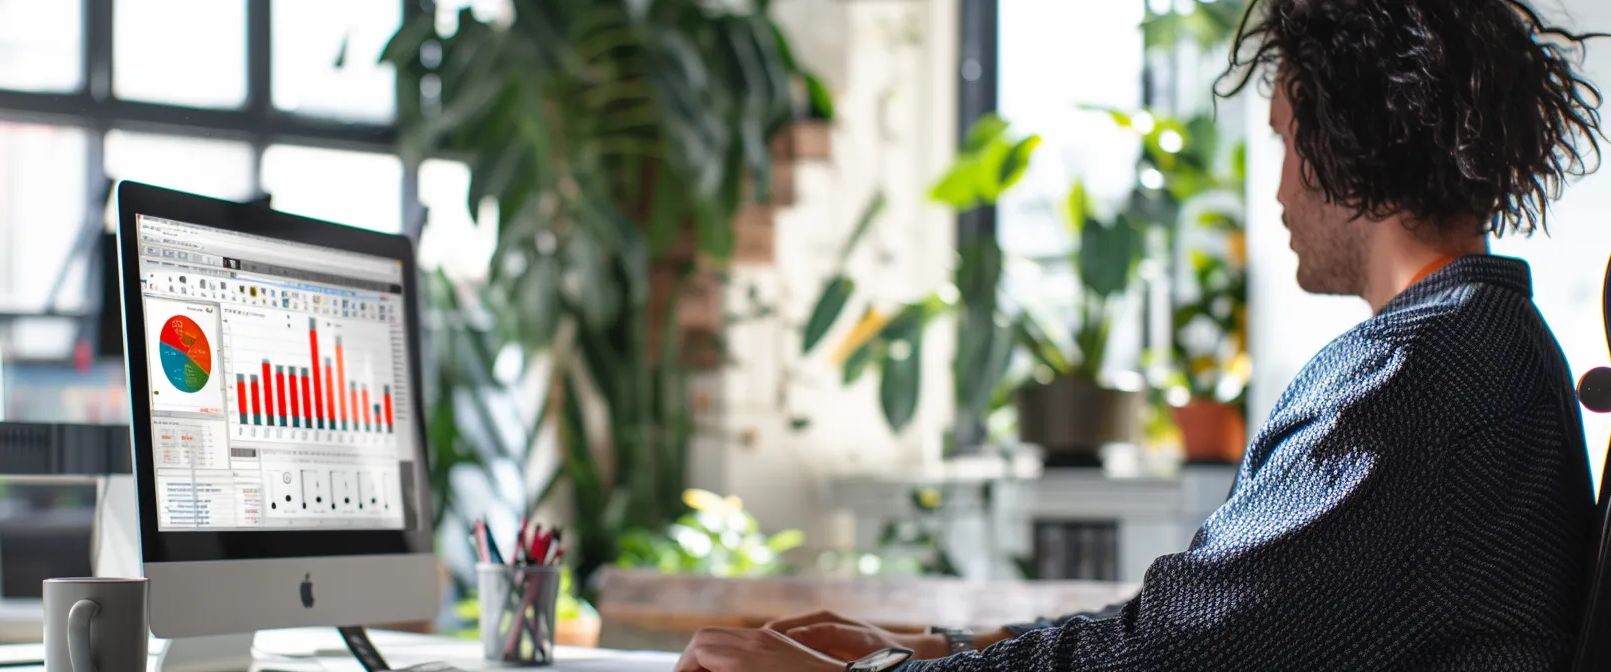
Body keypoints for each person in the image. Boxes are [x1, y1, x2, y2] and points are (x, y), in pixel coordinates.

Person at [673, 0, 1610, 670]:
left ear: (1348, 140)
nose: (1280, 188)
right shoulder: (1479, 344)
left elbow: (1173, 653)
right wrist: (942, 646)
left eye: (1285, 138)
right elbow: (1202, 621)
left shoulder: (1420, 376)